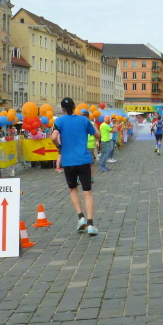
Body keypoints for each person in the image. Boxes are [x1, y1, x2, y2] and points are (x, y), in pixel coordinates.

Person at [51, 98, 101, 235]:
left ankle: (81, 217)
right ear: (74, 107)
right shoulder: (84, 120)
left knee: (73, 189)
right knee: (87, 192)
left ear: (62, 109)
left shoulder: (59, 121)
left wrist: (59, 146)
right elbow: (97, 135)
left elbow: (53, 137)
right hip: (83, 160)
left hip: (68, 161)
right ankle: (90, 224)